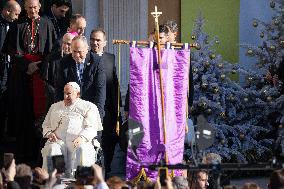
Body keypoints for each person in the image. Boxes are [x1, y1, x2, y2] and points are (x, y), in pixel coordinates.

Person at [2, 0, 57, 161]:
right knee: (23, 113)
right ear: (25, 9)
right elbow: (10, 51)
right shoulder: (17, 24)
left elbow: (53, 50)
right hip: (22, 76)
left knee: (41, 114)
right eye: (29, 8)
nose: (32, 10)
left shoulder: (47, 23)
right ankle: (23, 154)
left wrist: (39, 66)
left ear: (39, 7)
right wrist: (27, 65)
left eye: (34, 7)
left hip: (41, 74)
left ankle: (39, 155)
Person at [41, 82, 103, 176]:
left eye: (69, 94)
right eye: (64, 93)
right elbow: (45, 125)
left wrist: (82, 138)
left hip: (78, 142)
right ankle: (53, 181)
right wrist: (49, 133)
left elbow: (92, 127)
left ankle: (81, 181)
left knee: (82, 149)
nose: (65, 96)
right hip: (58, 142)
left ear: (78, 94)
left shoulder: (89, 106)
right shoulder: (54, 107)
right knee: (52, 148)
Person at [90, 28, 122, 178]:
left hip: (108, 109)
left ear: (105, 43)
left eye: (98, 40)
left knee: (108, 141)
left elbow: (115, 84)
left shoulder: (111, 58)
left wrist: (118, 108)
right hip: (91, 108)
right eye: (93, 39)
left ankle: (106, 169)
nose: (95, 43)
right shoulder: (86, 56)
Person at [55, 35, 106, 120]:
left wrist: (96, 117)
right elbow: (59, 89)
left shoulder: (96, 62)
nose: (77, 55)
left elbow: (100, 91)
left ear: (87, 49)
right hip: (71, 114)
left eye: (80, 52)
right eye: (74, 51)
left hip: (91, 111)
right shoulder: (64, 62)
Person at [0, 0, 21, 139]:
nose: (18, 17)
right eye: (16, 14)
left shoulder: (16, 26)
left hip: (12, 70)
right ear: (8, 11)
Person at [41, 32, 78, 111]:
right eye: (63, 43)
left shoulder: (78, 60)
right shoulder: (52, 58)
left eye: (68, 44)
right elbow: (47, 82)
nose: (65, 46)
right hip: (55, 100)